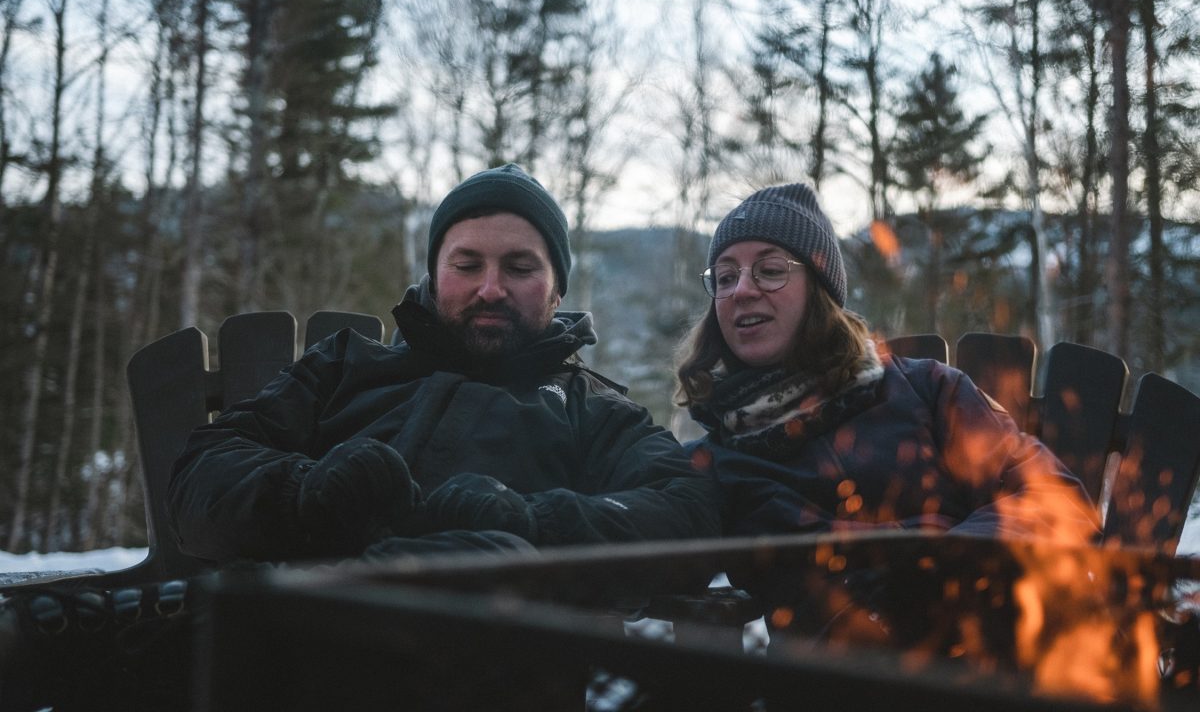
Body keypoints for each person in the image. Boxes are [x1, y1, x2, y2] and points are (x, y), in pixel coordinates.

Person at [167, 163, 719, 565]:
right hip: (307, 642)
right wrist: (308, 493)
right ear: (435, 276)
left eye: (520, 267)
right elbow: (205, 469)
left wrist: (533, 521)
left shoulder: (592, 411)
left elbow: (686, 511)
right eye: (467, 264)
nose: (491, 288)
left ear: (557, 291)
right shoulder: (345, 366)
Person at [675, 182, 1100, 547]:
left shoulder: (926, 391)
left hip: (986, 622)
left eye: (769, 270)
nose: (742, 290)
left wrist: (942, 558)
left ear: (819, 291)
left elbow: (1055, 500)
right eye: (725, 277)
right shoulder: (719, 458)